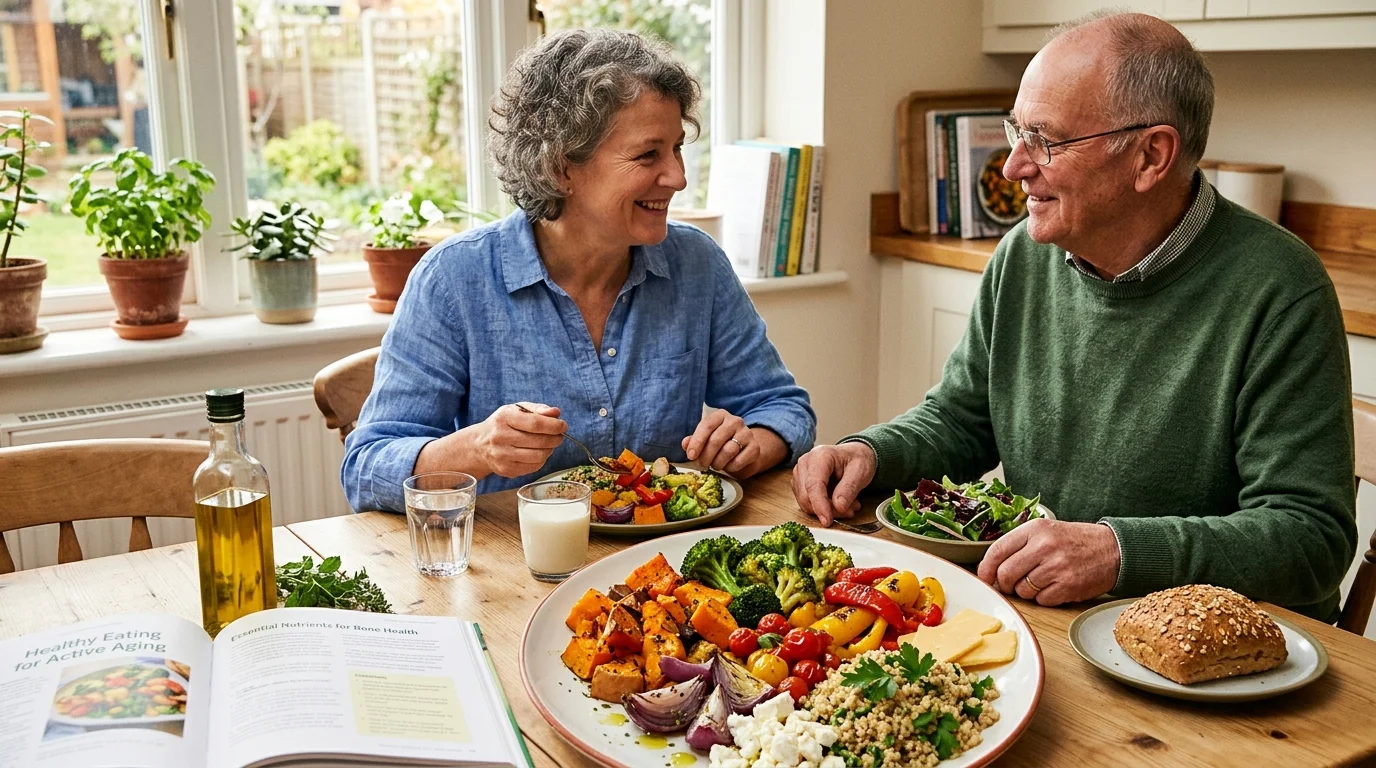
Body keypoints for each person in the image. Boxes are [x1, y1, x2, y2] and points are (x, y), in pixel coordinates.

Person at [793, 11, 1356, 621]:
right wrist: (871, 454)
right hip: (1054, 617)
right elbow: (961, 418)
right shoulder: (1024, 256)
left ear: (1150, 156)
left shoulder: (1280, 289)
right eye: (1015, 132)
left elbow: (1310, 538)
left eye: (1046, 140)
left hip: (1222, 662)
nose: (1013, 166)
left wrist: (1119, 553)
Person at [343, 28, 815, 512]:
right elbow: (366, 467)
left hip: (666, 572)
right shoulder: (452, 280)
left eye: (677, 148)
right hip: (512, 569)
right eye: (648, 154)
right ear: (559, 168)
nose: (678, 177)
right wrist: (477, 448)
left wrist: (753, 442)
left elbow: (784, 408)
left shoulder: (697, 265)